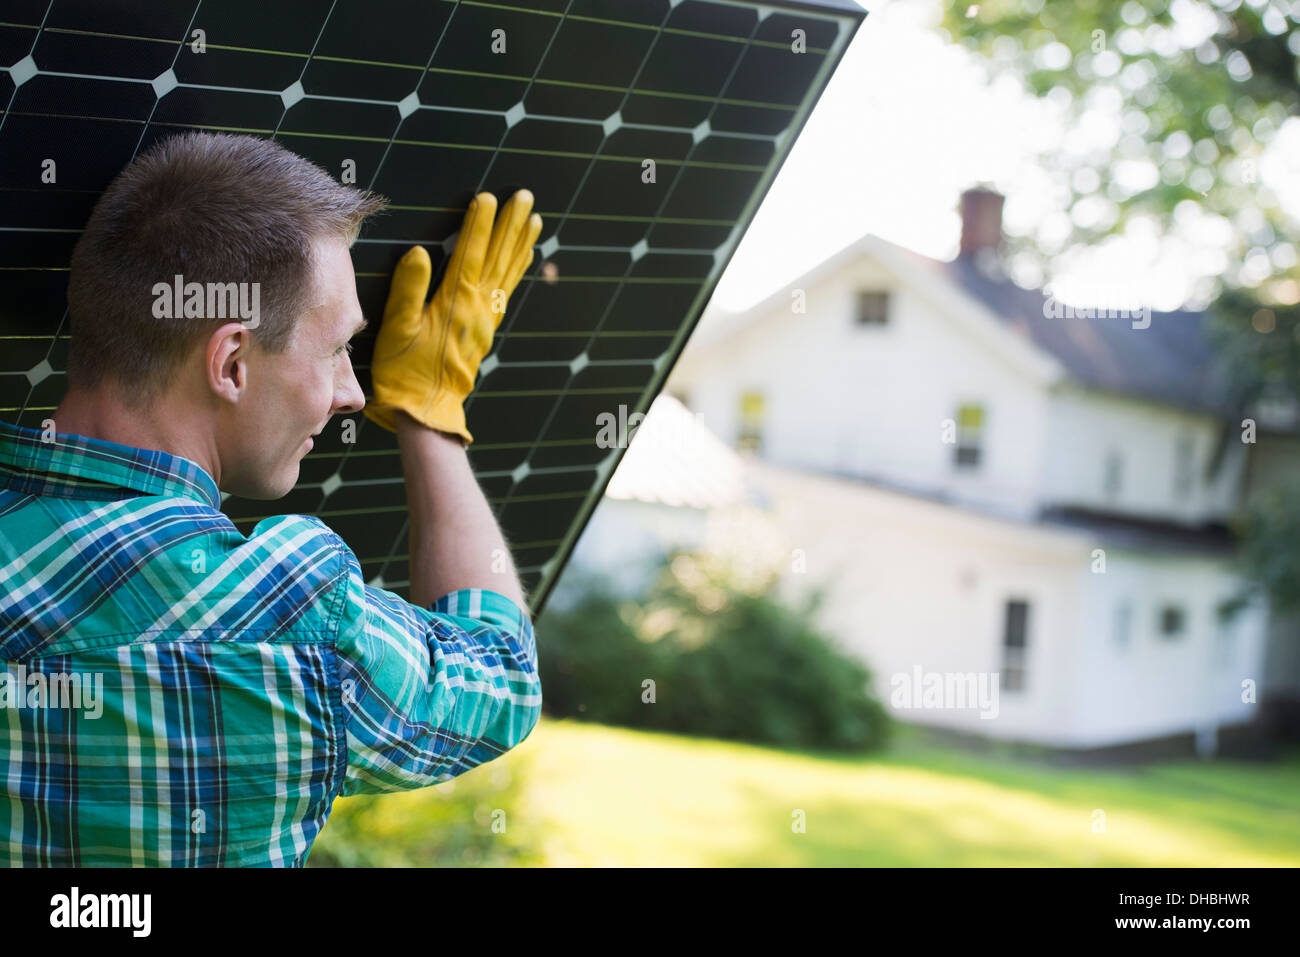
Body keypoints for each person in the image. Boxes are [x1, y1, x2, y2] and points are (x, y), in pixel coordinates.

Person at [0, 130, 544, 866]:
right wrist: (430, 410)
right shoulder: (283, 612)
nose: (353, 391)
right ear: (230, 362)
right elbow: (500, 679)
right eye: (336, 351)